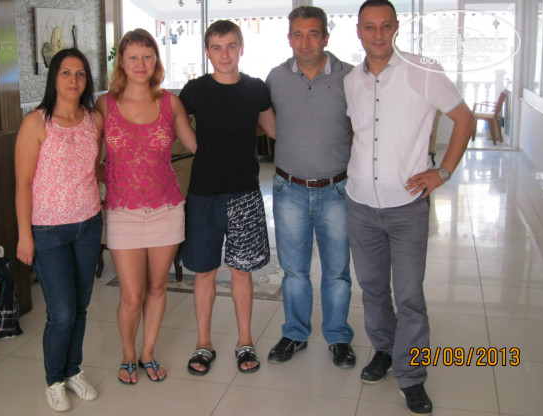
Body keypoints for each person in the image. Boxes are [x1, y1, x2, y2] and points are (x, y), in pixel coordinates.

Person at [344, 1, 475, 414]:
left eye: (385, 26)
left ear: (396, 28)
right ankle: (385, 350)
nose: (378, 34)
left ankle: (413, 376)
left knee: (410, 296)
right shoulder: (351, 81)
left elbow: (465, 119)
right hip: (360, 204)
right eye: (369, 27)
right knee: (372, 289)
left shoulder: (424, 70)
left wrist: (443, 172)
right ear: (359, 31)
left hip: (407, 207)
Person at [95, 28, 196, 385]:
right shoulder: (105, 104)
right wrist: (109, 179)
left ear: (156, 61)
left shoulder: (170, 103)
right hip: (122, 212)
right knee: (131, 294)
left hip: (166, 209)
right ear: (121, 62)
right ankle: (127, 354)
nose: (141, 64)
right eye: (133, 57)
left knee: (157, 287)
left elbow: (196, 145)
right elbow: (89, 156)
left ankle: (147, 353)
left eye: (147, 56)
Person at [179, 20, 275, 376]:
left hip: (244, 192)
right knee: (204, 272)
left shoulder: (255, 89)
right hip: (204, 194)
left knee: (241, 271)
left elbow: (274, 129)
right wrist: (197, 147)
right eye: (217, 47)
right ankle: (203, 342)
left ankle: (244, 340)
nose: (225, 54)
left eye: (231, 46)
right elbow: (173, 120)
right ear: (207, 52)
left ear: (242, 48)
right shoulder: (195, 90)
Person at [265, 5, 356, 368]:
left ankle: (338, 336)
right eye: (298, 35)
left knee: (337, 272)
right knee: (294, 271)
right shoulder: (275, 77)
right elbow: (266, 120)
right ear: (289, 38)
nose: (305, 43)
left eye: (313, 34)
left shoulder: (350, 77)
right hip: (289, 189)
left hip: (337, 190)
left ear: (326, 37)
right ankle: (295, 333)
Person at [15, 48, 103, 412]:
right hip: (48, 231)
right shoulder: (36, 123)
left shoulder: (94, 119)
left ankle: (72, 370)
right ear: (54, 78)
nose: (73, 79)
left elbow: (94, 168)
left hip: (88, 225)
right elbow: (23, 184)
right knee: (62, 311)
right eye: (66, 72)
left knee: (80, 306)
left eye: (80, 73)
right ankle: (54, 379)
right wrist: (24, 235)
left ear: (87, 80)